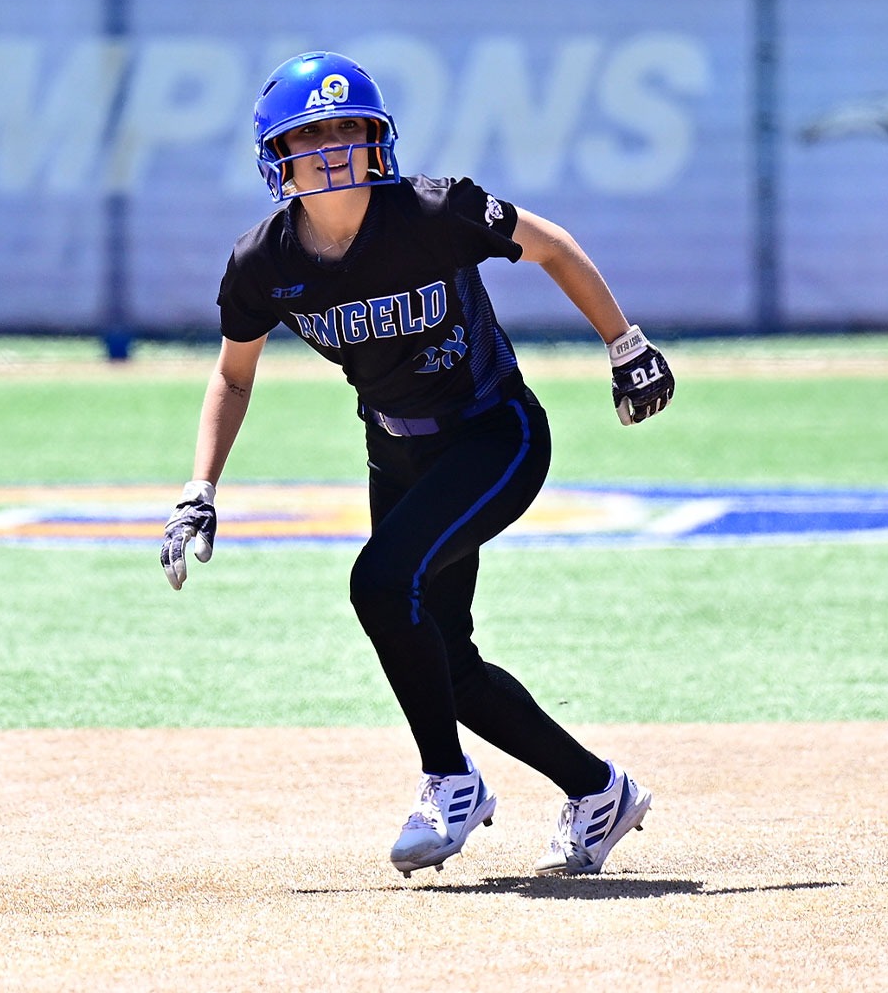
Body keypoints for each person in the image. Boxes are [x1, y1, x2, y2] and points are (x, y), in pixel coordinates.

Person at [159, 52, 675, 878]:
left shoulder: (435, 210)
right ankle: (598, 791)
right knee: (445, 660)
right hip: (394, 449)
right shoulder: (263, 263)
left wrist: (626, 343)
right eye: (310, 134)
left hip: (493, 435)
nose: (332, 146)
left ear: (378, 138)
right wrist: (200, 486)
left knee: (378, 584)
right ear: (275, 156)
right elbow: (233, 375)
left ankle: (449, 780)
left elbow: (552, 245)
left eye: (348, 127)